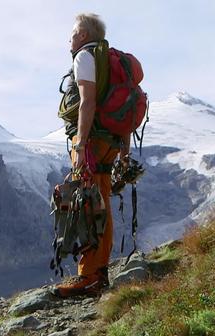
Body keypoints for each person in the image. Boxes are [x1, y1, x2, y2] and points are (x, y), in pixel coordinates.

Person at [54, 13, 129, 297]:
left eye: (73, 33)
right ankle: (99, 271)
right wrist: (124, 147)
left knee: (86, 204)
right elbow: (119, 106)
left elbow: (88, 102)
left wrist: (81, 143)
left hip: (92, 142)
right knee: (101, 202)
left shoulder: (84, 58)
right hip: (109, 141)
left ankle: (90, 276)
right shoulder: (109, 61)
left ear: (83, 35)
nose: (70, 39)